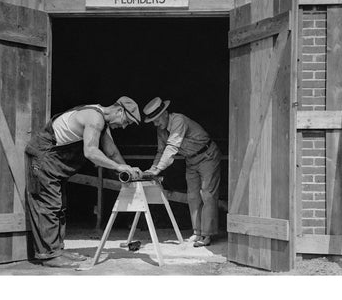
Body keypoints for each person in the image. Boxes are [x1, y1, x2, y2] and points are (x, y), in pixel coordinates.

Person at [25, 96, 143, 268]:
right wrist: (118, 168)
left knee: (59, 206)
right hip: (44, 157)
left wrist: (129, 170)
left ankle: (58, 250)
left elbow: (112, 153)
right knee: (49, 206)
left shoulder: (101, 121)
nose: (124, 126)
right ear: (119, 110)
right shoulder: (94, 118)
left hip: (52, 162)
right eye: (126, 121)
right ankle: (49, 256)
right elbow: (91, 151)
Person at [143, 97, 221, 247]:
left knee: (207, 194)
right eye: (153, 121)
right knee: (192, 196)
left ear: (165, 114)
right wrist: (152, 169)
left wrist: (158, 170)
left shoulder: (178, 120)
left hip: (207, 156)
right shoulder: (160, 129)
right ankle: (197, 232)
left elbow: (172, 147)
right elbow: (161, 151)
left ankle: (207, 235)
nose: (155, 124)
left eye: (157, 120)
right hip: (191, 160)